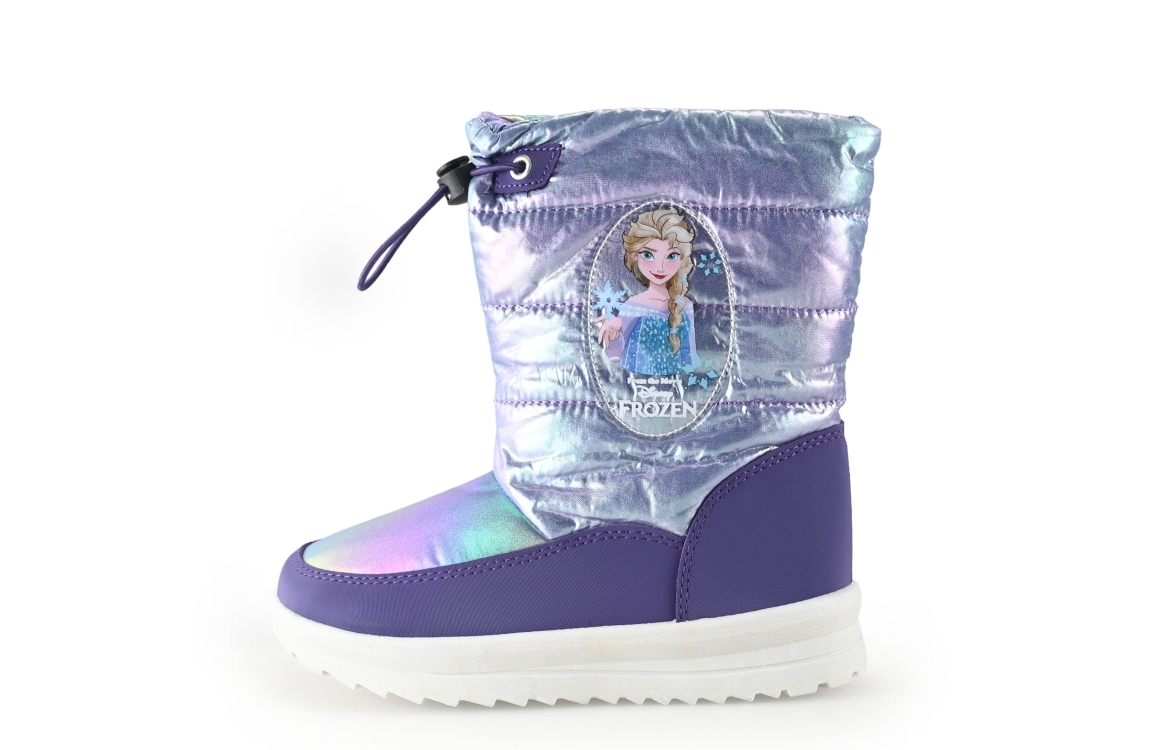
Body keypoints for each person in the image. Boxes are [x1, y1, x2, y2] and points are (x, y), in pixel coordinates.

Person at [596, 208, 698, 376]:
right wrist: (614, 333)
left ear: (682, 259)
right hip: (637, 383)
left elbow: (689, 356)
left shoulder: (684, 304)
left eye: (671, 256)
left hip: (679, 385)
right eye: (648, 255)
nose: (660, 267)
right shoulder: (633, 304)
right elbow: (614, 355)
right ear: (635, 256)